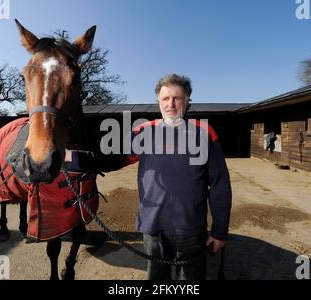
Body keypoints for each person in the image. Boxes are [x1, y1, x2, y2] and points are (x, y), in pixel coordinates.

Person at [66, 74, 232, 280]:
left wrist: (219, 231)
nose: (171, 104)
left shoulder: (204, 132)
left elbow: (220, 185)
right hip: (152, 227)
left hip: (190, 228)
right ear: (158, 103)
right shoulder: (144, 131)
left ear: (187, 101)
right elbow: (113, 159)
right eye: (165, 98)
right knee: (156, 278)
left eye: (177, 98)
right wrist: (70, 157)